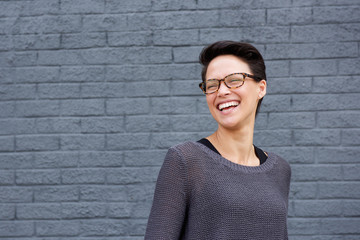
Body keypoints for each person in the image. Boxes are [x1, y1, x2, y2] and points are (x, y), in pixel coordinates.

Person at [144, 41, 291, 239]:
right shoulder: (186, 160)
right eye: (212, 85)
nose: (221, 92)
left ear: (261, 88)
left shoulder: (280, 169)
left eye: (234, 80)